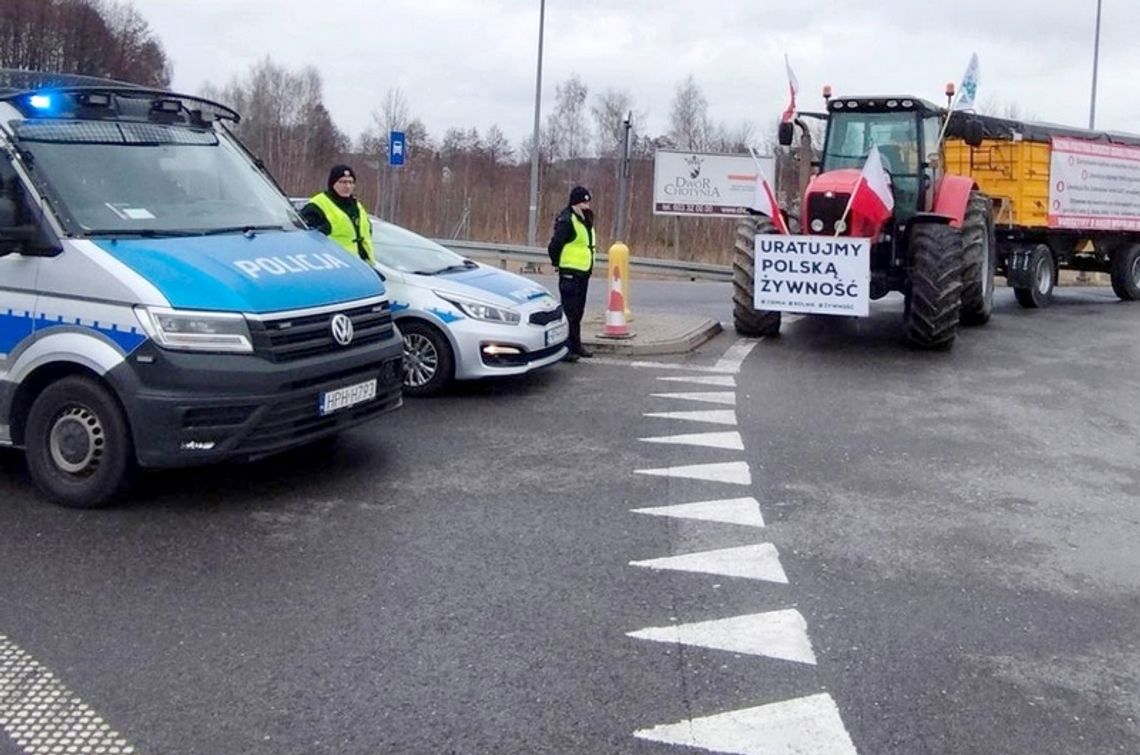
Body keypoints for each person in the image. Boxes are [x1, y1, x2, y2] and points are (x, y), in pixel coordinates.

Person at [547, 185, 596, 362]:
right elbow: (555, 245)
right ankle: (566, 348)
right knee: (569, 312)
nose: (587, 205)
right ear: (575, 202)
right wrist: (558, 263)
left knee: (578, 311)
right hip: (570, 272)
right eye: (583, 201)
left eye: (588, 201)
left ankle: (576, 344)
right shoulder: (567, 220)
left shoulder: (585, 219)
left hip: (583, 271)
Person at [300, 164, 374, 264]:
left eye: (351, 182)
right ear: (332, 183)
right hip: (335, 265)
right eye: (343, 182)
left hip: (362, 266)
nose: (347, 186)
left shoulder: (356, 205)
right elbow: (305, 239)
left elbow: (366, 232)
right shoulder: (317, 206)